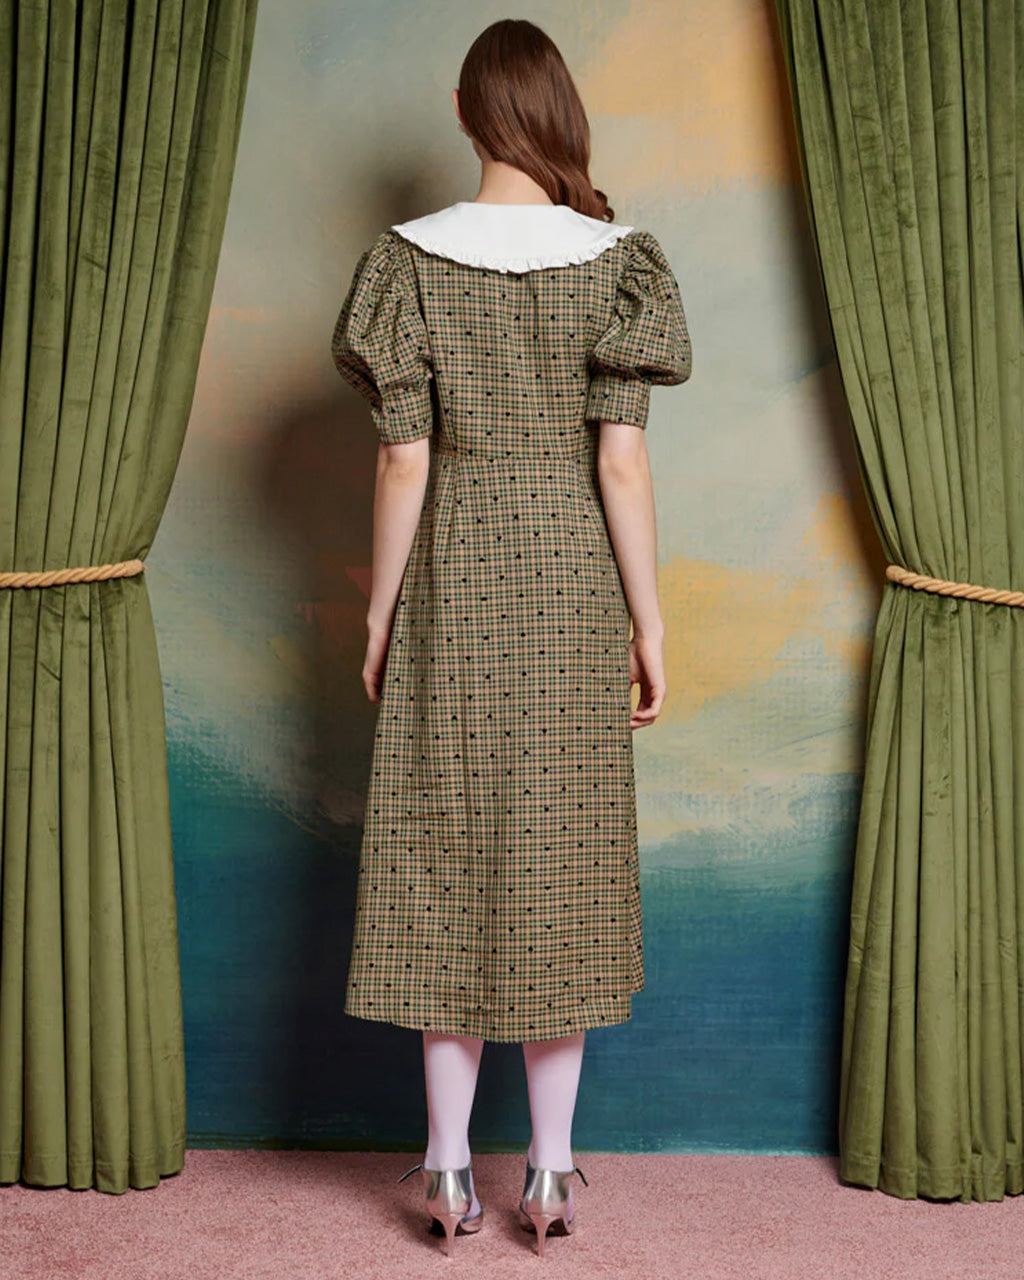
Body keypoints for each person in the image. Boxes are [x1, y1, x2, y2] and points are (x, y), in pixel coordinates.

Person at [330, 17, 692, 1259]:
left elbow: (403, 459)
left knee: (444, 855)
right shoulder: (617, 261)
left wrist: (381, 607)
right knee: (560, 866)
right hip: (572, 591)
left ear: (462, 110)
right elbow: (621, 463)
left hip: (453, 584)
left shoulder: (405, 260)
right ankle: (546, 1172)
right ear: (557, 113)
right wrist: (648, 619)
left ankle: (444, 1168)